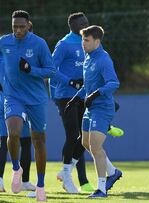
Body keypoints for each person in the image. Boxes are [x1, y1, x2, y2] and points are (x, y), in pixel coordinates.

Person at [0, 10, 56, 201]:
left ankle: (41, 185)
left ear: (28, 25)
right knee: (13, 133)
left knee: (38, 140)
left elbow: (50, 70)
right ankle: (16, 168)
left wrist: (31, 69)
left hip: (36, 98)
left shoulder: (39, 44)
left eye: (21, 27)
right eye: (14, 27)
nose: (18, 30)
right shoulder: (4, 42)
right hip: (13, 96)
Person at [66, 25, 122, 198]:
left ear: (97, 41)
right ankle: (113, 172)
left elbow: (113, 83)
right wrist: (76, 98)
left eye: (87, 40)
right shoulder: (88, 57)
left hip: (102, 109)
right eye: (82, 39)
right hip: (90, 108)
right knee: (85, 143)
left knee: (95, 147)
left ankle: (102, 189)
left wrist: (96, 94)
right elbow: (87, 85)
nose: (83, 43)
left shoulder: (103, 59)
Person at [49, 12, 94, 194]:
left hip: (85, 95)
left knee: (85, 137)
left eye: (86, 21)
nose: (85, 24)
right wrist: (68, 82)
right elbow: (50, 69)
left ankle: (69, 174)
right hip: (66, 96)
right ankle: (69, 177)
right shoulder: (64, 44)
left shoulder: (90, 42)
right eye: (81, 23)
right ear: (73, 26)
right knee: (73, 135)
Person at [0, 21, 35, 193]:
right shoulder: (24, 55)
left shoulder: (4, 51)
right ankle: (24, 181)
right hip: (17, 103)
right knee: (25, 142)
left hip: (2, 102)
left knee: (4, 141)